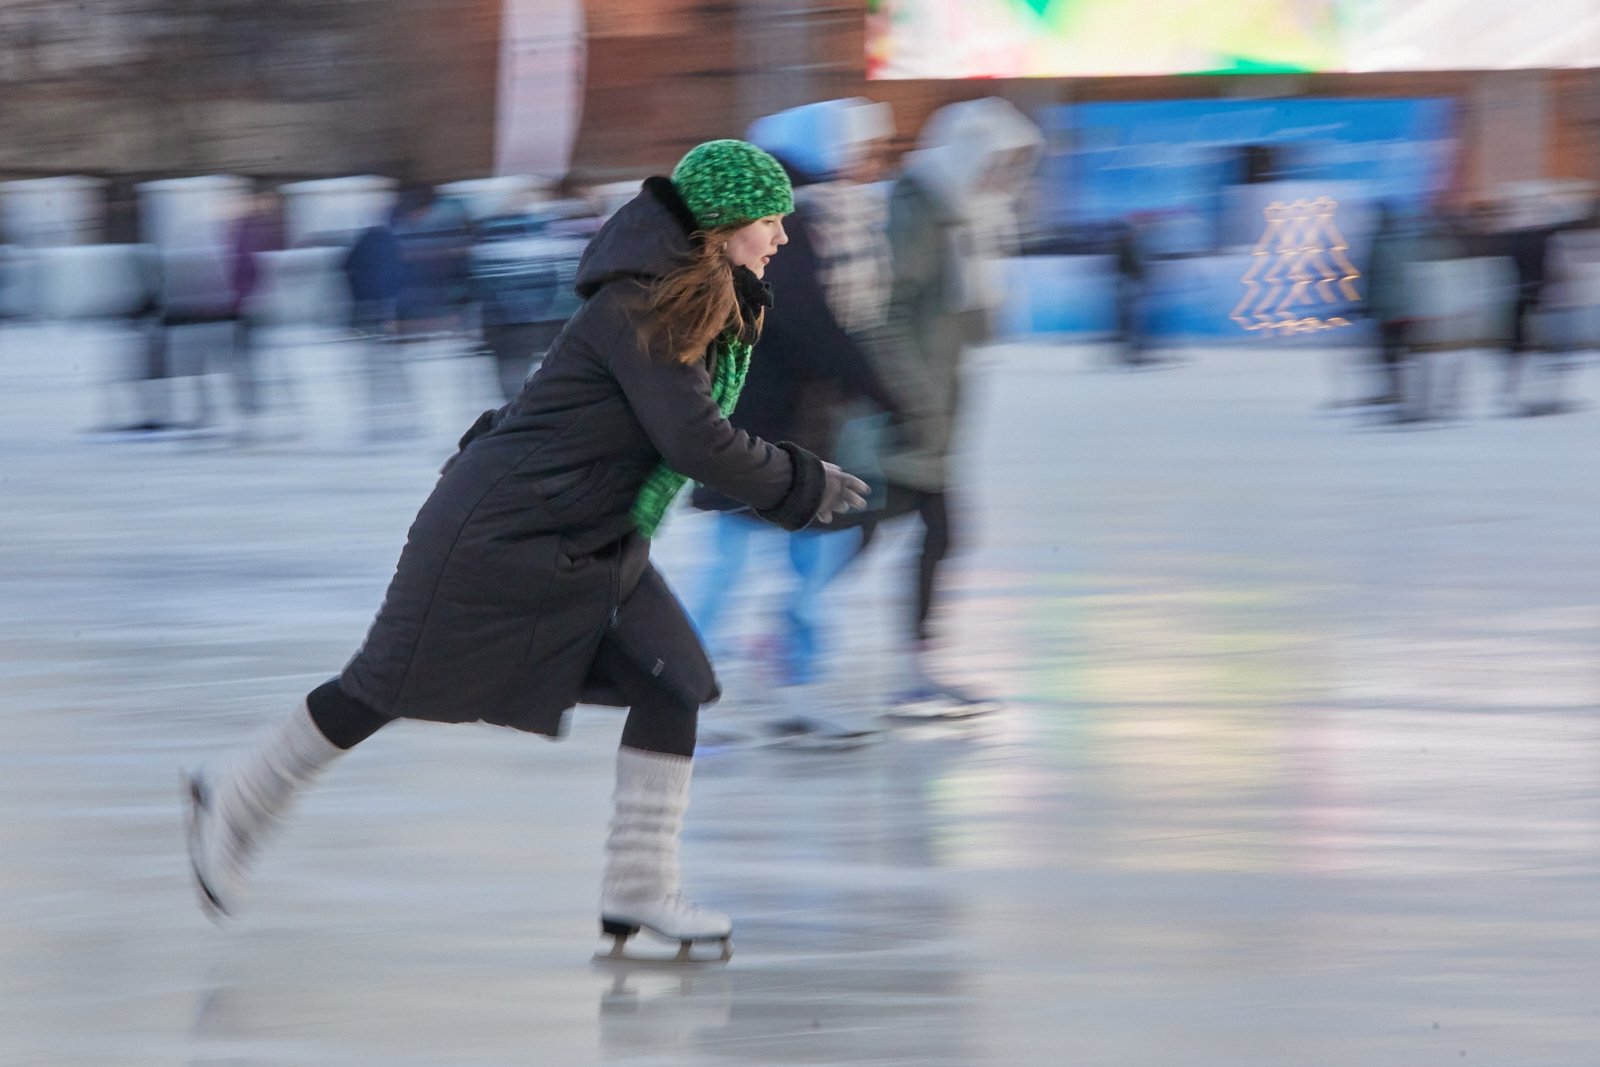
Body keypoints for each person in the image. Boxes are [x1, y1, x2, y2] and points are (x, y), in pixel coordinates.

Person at [184, 140, 871, 962]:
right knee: (383, 685)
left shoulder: (693, 297)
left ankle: (638, 883)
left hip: (588, 532)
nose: (782, 237)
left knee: (675, 680)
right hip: (500, 531)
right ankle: (237, 795)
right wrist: (800, 483)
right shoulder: (643, 305)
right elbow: (691, 438)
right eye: (770, 220)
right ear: (724, 223)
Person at [688, 99, 902, 748]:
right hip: (773, 424)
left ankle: (764, 687)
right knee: (786, 557)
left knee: (759, 559)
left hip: (747, 419)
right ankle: (741, 687)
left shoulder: (744, 221)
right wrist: (876, 387)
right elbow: (807, 322)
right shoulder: (782, 227)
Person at [853, 97, 1042, 720]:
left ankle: (912, 663)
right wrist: (908, 394)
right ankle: (792, 635)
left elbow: (971, 320)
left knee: (910, 533)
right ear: (966, 154)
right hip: (904, 415)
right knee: (882, 534)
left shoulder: (967, 218)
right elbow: (885, 312)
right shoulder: (918, 211)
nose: (1003, 179)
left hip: (936, 415)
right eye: (995, 163)